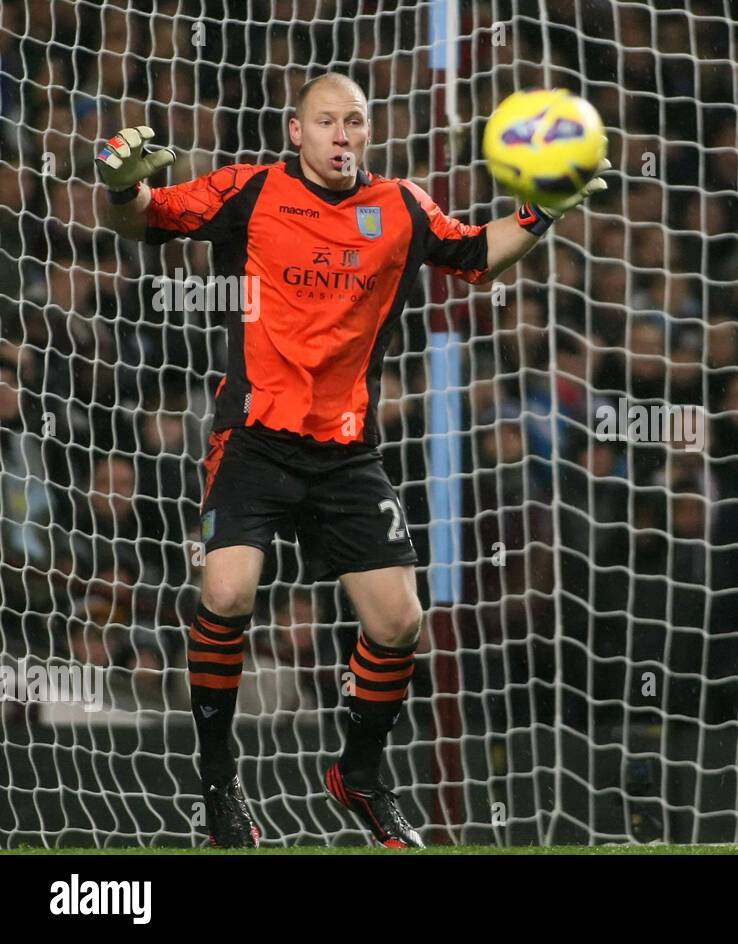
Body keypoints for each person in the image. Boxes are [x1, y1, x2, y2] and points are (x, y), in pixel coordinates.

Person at [95, 72, 608, 847]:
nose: (343, 135)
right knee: (228, 592)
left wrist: (543, 212)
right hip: (255, 436)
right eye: (327, 121)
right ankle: (218, 782)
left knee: (400, 621)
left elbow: (475, 255)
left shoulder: (399, 206)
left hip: (345, 449)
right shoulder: (250, 190)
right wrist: (122, 189)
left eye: (356, 122)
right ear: (295, 131)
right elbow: (147, 219)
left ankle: (358, 773)